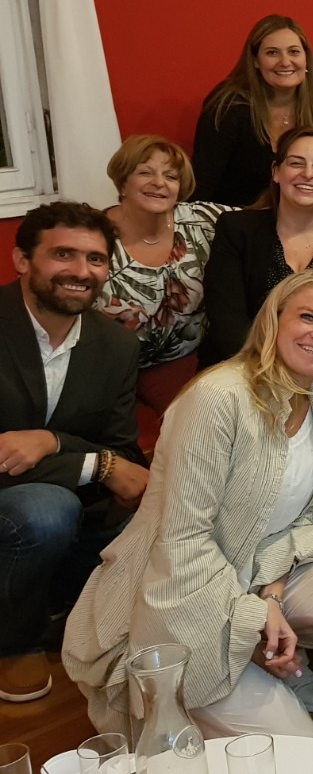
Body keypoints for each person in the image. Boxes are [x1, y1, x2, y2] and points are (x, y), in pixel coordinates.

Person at [64, 269, 313, 738]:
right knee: (297, 752)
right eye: (308, 317)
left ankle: (266, 651)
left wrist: (272, 598)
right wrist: (256, 618)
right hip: (180, 591)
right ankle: (249, 655)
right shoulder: (218, 397)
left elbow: (296, 522)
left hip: (255, 572)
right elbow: (183, 541)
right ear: (273, 321)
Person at [1, 202, 148, 704]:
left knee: (164, 503)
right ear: (23, 260)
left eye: (96, 259)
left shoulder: (116, 345)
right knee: (46, 511)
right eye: (63, 254)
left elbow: (123, 450)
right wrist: (96, 463)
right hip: (22, 503)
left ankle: (67, 606)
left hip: (77, 500)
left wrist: (53, 442)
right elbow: (110, 462)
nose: (82, 271)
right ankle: (13, 640)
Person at [199, 127, 313, 368]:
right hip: (241, 365)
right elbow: (227, 323)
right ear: (276, 172)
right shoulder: (236, 229)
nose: (308, 174)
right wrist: (275, 372)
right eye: (296, 163)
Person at [96, 136, 232, 410]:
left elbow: (267, 223)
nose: (159, 182)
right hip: (110, 370)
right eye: (145, 172)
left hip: (193, 361)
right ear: (123, 181)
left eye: (171, 176)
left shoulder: (203, 220)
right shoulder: (92, 235)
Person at [192, 15, 313, 221]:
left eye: (294, 52)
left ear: (306, 59)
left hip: (303, 226)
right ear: (255, 61)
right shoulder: (228, 108)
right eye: (272, 52)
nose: (285, 62)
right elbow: (201, 184)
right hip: (235, 226)